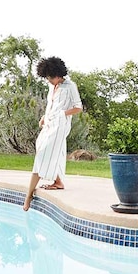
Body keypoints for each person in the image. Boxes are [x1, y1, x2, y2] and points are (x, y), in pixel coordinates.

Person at [23, 57, 83, 211]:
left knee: (42, 153)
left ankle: (28, 196)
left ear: (58, 74)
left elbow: (78, 107)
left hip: (60, 125)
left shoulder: (70, 86)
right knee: (44, 148)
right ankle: (58, 181)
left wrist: (63, 114)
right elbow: (51, 104)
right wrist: (45, 116)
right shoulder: (52, 87)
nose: (48, 80)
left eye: (50, 77)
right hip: (49, 123)